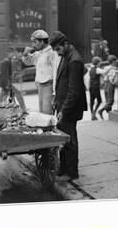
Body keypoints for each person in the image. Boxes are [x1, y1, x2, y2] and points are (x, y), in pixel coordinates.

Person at [50, 31, 88, 179]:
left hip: (70, 109)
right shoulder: (66, 56)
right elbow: (61, 82)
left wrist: (63, 110)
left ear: (65, 44)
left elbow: (73, 91)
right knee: (62, 138)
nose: (57, 53)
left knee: (69, 140)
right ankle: (63, 168)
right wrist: (56, 100)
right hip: (63, 106)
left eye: (58, 49)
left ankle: (72, 172)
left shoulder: (74, 60)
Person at [21, 30, 58, 114]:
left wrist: (55, 92)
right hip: (40, 86)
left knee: (47, 114)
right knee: (42, 114)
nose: (33, 45)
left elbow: (56, 72)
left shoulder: (52, 53)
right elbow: (28, 62)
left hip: (48, 85)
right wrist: (25, 54)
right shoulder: (39, 53)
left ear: (42, 42)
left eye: (35, 42)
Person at [0, 47, 27, 112]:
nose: (13, 55)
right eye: (12, 53)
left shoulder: (10, 60)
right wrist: (7, 84)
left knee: (9, 95)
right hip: (7, 82)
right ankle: (22, 108)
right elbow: (5, 74)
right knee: (8, 95)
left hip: (9, 82)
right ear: (9, 53)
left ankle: (12, 107)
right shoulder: (6, 61)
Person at [98, 55, 118, 120]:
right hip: (110, 84)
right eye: (115, 61)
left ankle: (109, 115)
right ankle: (101, 111)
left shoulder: (105, 68)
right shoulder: (113, 69)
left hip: (105, 84)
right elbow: (113, 79)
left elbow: (103, 75)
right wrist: (115, 82)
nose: (117, 62)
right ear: (113, 61)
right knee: (110, 101)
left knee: (108, 101)